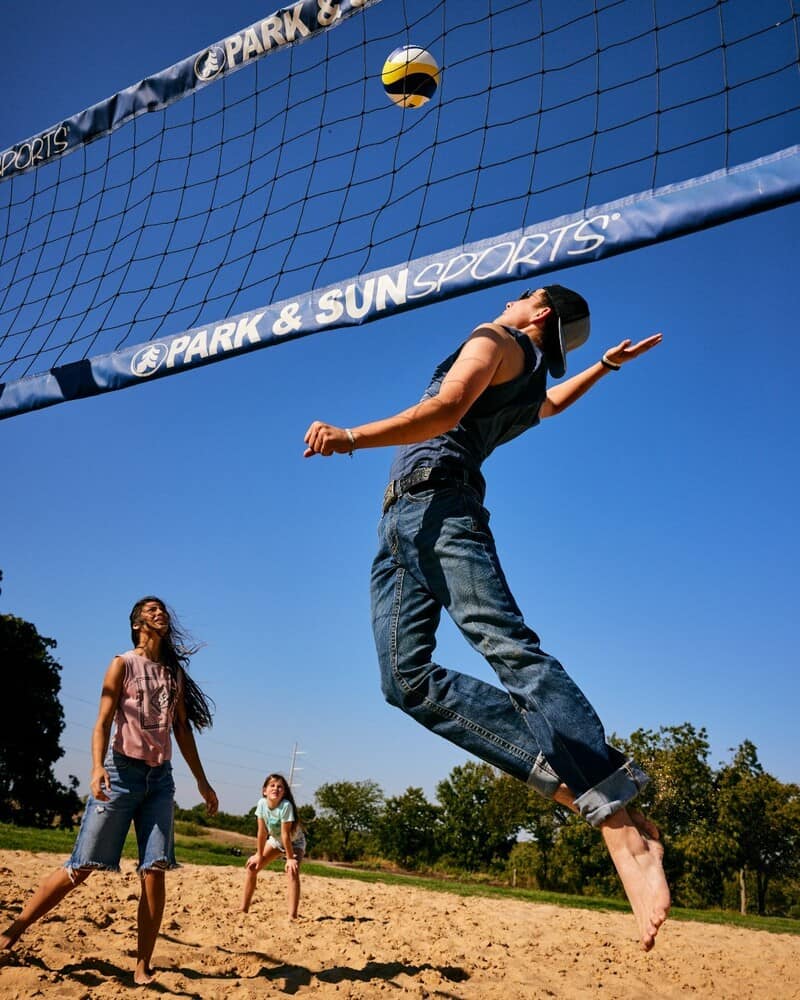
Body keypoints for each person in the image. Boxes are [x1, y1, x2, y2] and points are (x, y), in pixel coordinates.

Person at [303, 285, 670, 950]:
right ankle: (575, 789)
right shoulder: (529, 374)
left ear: (538, 310)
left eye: (527, 293)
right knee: (404, 682)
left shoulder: (496, 339)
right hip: (401, 525)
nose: (516, 294)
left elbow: (443, 408)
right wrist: (603, 367)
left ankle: (617, 816)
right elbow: (550, 405)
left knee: (507, 647)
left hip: (436, 507)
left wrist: (349, 437)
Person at [0, 596, 218, 985]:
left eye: (162, 609)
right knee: (81, 866)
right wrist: (97, 765)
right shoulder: (122, 664)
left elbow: (181, 730)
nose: (160, 613)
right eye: (151, 610)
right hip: (121, 774)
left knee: (155, 870)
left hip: (159, 781)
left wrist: (202, 781)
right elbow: (102, 721)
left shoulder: (173, 675)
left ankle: (142, 965)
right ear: (137, 624)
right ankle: (13, 931)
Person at [240, 773, 305, 919]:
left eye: (280, 787)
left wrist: (290, 858)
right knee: (252, 867)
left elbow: (285, 835)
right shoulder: (262, 804)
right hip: (275, 840)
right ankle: (243, 909)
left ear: (284, 792)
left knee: (292, 872)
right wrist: (258, 854)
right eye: (272, 785)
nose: (276, 788)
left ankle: (292, 916)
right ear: (265, 790)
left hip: (295, 843)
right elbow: (262, 832)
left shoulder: (286, 806)